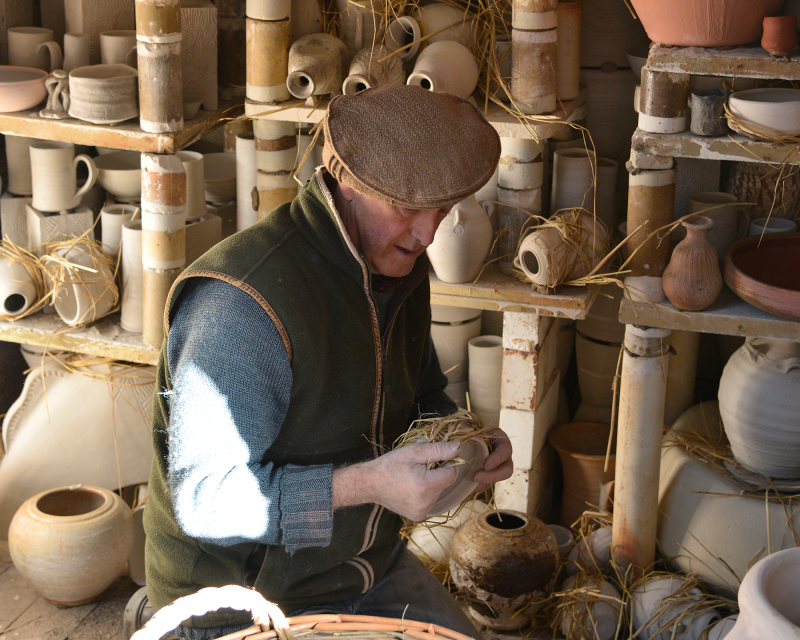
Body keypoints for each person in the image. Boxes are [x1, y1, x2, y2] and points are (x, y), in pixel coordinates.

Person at [143, 85, 512, 640]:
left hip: (364, 568)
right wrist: (371, 484)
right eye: (407, 207)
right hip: (240, 603)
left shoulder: (395, 267)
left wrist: (464, 444)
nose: (428, 234)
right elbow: (205, 502)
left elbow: (422, 397)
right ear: (348, 182)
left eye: (442, 209)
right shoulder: (244, 306)